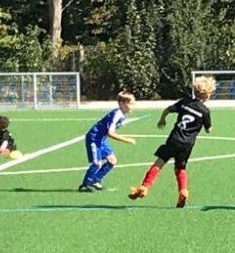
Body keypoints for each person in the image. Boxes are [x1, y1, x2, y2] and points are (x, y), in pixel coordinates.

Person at [128, 76, 216, 208]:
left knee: (159, 163)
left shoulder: (184, 102)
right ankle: (183, 191)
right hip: (187, 145)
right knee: (180, 168)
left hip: (174, 139)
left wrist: (162, 119)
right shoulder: (205, 111)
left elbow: (167, 109)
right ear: (208, 95)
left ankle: (144, 187)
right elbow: (208, 129)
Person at [79, 92, 136, 192]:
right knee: (97, 163)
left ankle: (95, 180)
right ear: (122, 104)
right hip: (94, 138)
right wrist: (126, 139)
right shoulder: (116, 114)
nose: (133, 106)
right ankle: (85, 185)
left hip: (101, 139)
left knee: (112, 160)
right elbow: (110, 133)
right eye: (131, 103)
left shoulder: (120, 114)